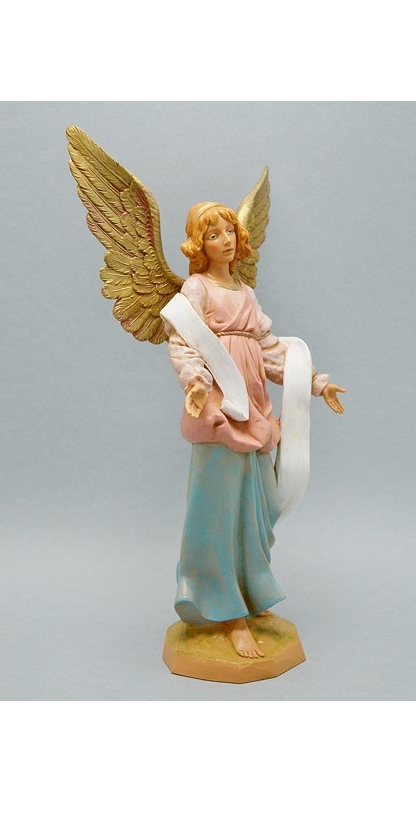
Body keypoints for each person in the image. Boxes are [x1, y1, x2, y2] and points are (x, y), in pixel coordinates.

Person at [166, 202, 346, 658]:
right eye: (213, 235)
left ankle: (251, 592)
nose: (225, 240)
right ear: (199, 245)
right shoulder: (196, 288)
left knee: (260, 505)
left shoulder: (245, 292)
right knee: (219, 510)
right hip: (221, 409)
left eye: (229, 231)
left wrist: (316, 383)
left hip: (254, 408)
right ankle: (227, 610)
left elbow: (269, 352)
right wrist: (194, 384)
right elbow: (184, 342)